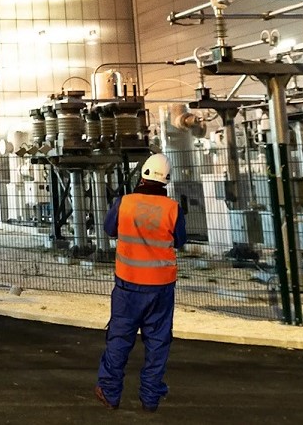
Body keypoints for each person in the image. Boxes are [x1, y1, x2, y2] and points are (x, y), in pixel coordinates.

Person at [94, 153, 186, 413]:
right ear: (166, 180)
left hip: (128, 285)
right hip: (161, 288)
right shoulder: (172, 209)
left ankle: (110, 392)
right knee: (158, 343)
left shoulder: (125, 203)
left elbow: (109, 228)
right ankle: (150, 397)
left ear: (143, 173)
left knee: (120, 339)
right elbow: (180, 239)